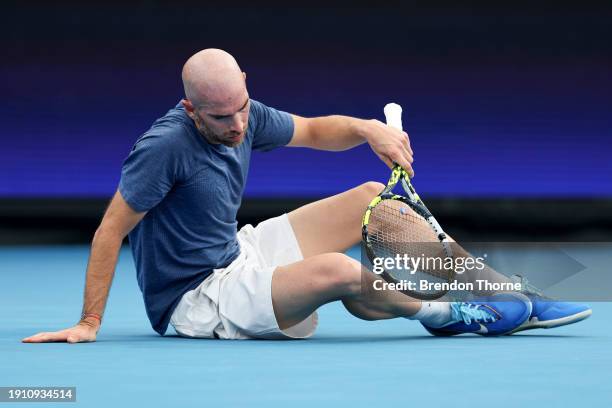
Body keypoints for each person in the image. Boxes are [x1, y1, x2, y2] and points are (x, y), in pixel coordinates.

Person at [22, 49, 591, 343]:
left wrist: (370, 129)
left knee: (372, 198)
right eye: (222, 118)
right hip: (195, 300)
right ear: (192, 110)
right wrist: (89, 321)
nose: (239, 126)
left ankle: (506, 292)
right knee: (337, 273)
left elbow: (318, 130)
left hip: (235, 256)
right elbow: (109, 230)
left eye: (243, 107)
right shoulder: (162, 148)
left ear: (245, 85)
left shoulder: (243, 111)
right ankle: (450, 315)